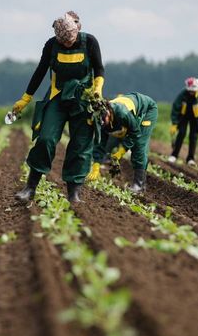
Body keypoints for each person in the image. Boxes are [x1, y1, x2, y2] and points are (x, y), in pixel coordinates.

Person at [13, 11, 105, 203]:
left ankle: (74, 193)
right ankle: (30, 187)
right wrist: (25, 98)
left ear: (77, 30)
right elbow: (40, 71)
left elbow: (99, 68)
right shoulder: (51, 45)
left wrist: (98, 89)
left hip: (83, 99)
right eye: (63, 43)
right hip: (57, 96)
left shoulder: (90, 42)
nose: (67, 45)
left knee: (80, 145)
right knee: (46, 139)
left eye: (70, 41)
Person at [86, 92, 158, 193]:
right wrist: (96, 165)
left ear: (108, 113)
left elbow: (135, 133)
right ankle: (140, 185)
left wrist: (121, 151)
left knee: (139, 145)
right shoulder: (101, 119)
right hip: (132, 109)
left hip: (147, 110)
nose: (103, 123)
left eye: (104, 120)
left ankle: (139, 184)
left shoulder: (122, 113)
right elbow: (100, 143)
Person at [169, 76, 198, 166]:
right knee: (181, 134)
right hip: (184, 116)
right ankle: (174, 155)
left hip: (196, 117)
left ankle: (190, 158)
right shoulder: (183, 93)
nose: (191, 92)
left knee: (193, 137)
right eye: (189, 91)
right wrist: (174, 123)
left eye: (193, 91)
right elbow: (175, 107)